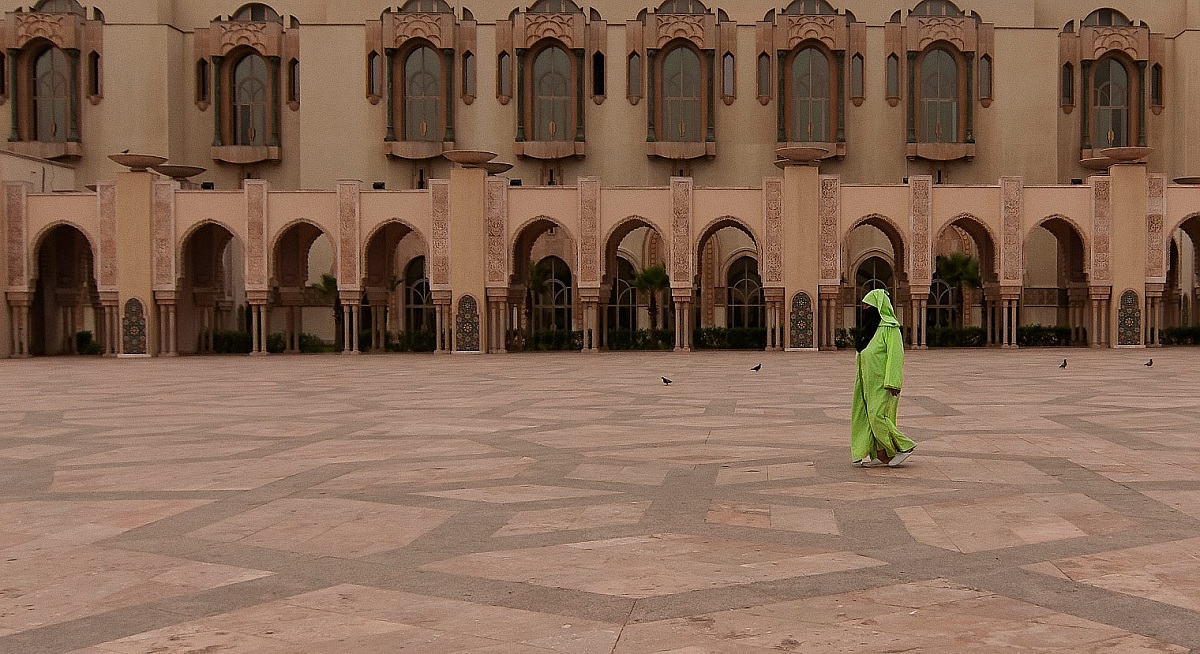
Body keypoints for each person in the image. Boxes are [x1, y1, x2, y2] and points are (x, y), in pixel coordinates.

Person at [851, 289, 916, 467]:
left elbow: (896, 356)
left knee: (878, 416)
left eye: (867, 306)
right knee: (868, 417)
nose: (863, 309)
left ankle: (903, 446)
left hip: (884, 383)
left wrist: (893, 382)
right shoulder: (870, 331)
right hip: (867, 384)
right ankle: (881, 455)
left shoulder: (890, 328)